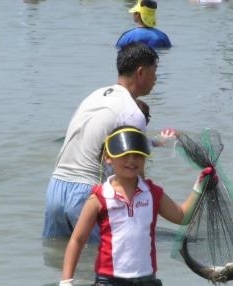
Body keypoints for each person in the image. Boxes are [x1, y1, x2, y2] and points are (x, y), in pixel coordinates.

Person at [46, 126, 215, 286]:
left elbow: (182, 216)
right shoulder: (99, 197)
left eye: (138, 155)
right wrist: (66, 282)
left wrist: (199, 186)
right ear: (108, 158)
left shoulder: (153, 193)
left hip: (146, 281)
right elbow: (77, 240)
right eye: (124, 155)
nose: (132, 160)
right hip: (110, 282)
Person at [43, 42, 159, 241]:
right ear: (141, 72)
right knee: (102, 263)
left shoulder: (95, 96)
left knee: (61, 258)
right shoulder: (132, 112)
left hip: (55, 188)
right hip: (85, 194)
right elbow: (135, 177)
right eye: (154, 72)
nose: (156, 79)